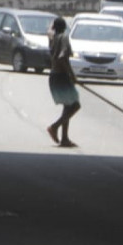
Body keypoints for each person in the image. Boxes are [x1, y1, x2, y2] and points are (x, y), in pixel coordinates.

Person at [46, 17, 80, 147]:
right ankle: (54, 127)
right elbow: (62, 57)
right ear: (65, 27)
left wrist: (52, 26)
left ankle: (65, 138)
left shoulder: (52, 38)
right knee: (75, 105)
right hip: (61, 75)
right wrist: (72, 75)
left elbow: (49, 31)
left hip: (54, 76)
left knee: (67, 106)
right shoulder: (64, 38)